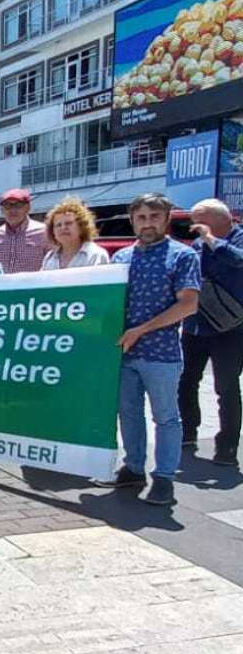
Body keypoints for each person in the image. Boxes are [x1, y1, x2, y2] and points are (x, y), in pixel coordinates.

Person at [95, 194, 201, 506]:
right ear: (133, 221)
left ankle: (164, 478)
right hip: (124, 353)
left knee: (166, 417)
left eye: (154, 217)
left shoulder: (182, 256)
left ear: (166, 219)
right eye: (141, 218)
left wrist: (141, 330)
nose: (148, 223)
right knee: (128, 414)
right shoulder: (121, 258)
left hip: (161, 354)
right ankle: (133, 468)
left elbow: (188, 304)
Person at [178, 198, 243, 468]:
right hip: (196, 325)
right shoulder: (197, 245)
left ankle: (227, 446)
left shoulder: (236, 239)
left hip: (230, 328)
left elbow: (239, 261)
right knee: (185, 381)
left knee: (226, 386)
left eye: (200, 219)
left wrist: (213, 241)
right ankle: (187, 432)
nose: (195, 225)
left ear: (221, 219)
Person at [0, 188, 49, 274]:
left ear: (28, 208)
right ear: (2, 210)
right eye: (7, 206)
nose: (12, 210)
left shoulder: (44, 232)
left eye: (18, 205)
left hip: (33, 282)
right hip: (0, 282)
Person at [41, 197, 111, 270]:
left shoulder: (96, 255)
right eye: (58, 225)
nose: (63, 228)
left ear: (82, 226)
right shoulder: (49, 258)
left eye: (68, 223)